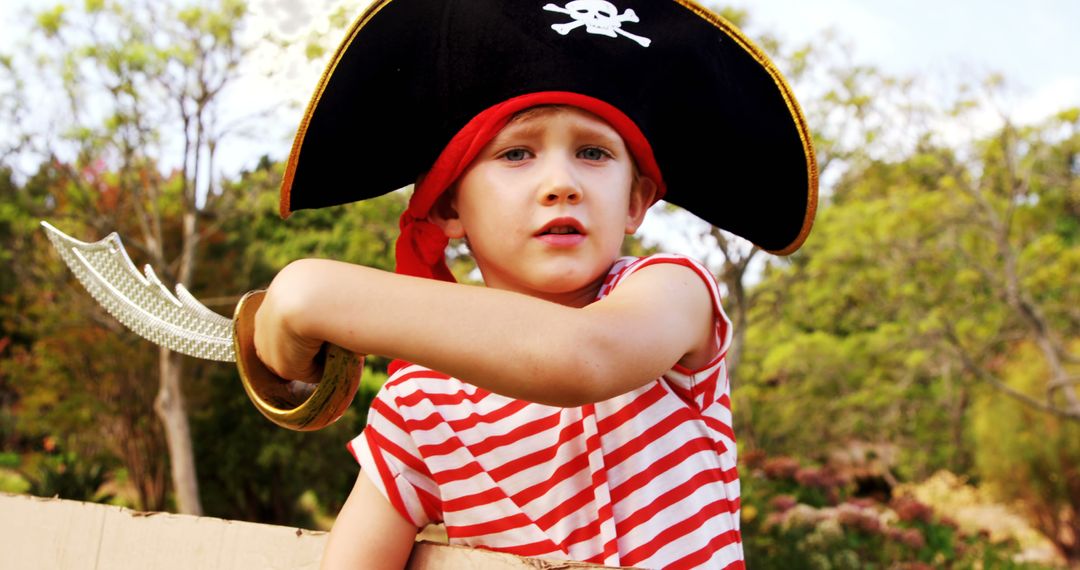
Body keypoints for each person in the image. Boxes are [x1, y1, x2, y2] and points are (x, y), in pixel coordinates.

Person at [254, 1, 818, 569]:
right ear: (448, 204)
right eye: (517, 153)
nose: (561, 184)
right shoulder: (419, 404)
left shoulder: (672, 293)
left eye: (593, 153)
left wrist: (313, 294)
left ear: (635, 200)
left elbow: (581, 355)